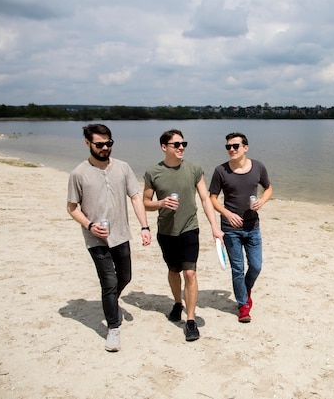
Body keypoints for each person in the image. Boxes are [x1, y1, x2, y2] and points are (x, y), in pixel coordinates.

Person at [67, 123, 152, 352]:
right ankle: (113, 328)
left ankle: (111, 301)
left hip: (121, 234)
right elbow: (72, 208)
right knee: (109, 281)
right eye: (99, 144)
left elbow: (135, 197)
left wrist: (144, 226)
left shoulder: (123, 168)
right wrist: (90, 225)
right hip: (95, 239)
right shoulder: (78, 173)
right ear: (88, 143)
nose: (105, 147)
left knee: (125, 276)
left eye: (108, 143)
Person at [143, 129, 223, 342]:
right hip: (166, 230)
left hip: (190, 228)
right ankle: (177, 303)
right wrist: (160, 203)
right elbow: (145, 202)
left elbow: (206, 199)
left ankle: (190, 320)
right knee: (173, 270)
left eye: (183, 144)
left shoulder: (194, 169)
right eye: (176, 144)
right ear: (164, 147)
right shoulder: (153, 172)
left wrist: (215, 227)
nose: (181, 148)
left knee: (190, 273)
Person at [209, 132, 272, 323]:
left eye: (235, 146)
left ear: (246, 147)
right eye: (228, 147)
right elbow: (212, 198)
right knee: (237, 268)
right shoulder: (221, 171)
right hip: (230, 228)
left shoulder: (258, 167)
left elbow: (268, 188)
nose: (232, 150)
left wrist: (261, 201)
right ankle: (243, 305)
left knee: (256, 266)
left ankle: (245, 288)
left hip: (253, 226)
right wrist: (227, 213)